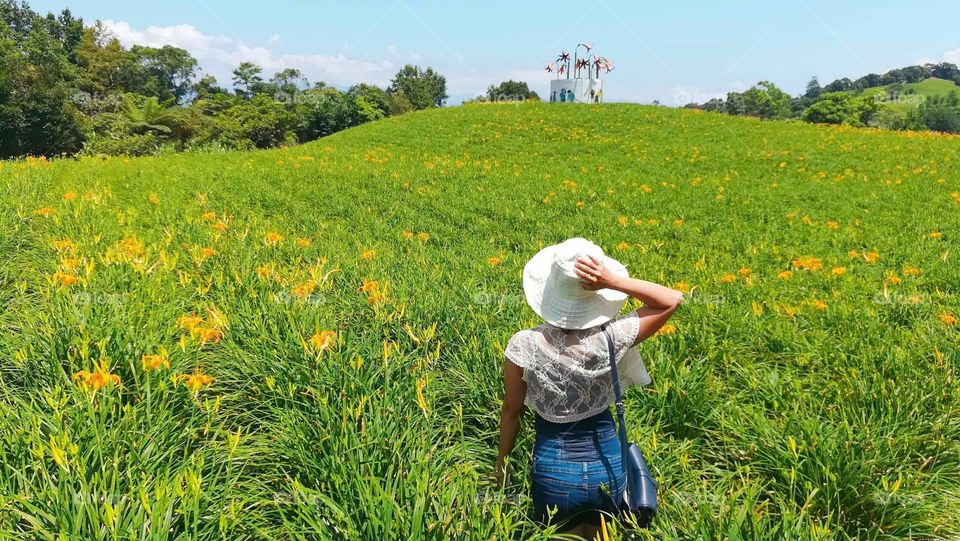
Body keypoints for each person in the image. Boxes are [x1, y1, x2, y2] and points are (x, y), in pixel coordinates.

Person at [495, 238, 683, 539]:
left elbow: (511, 412)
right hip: (608, 467)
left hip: (553, 471)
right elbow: (671, 299)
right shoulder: (614, 336)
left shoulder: (524, 344)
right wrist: (613, 281)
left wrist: (502, 465)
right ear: (596, 291)